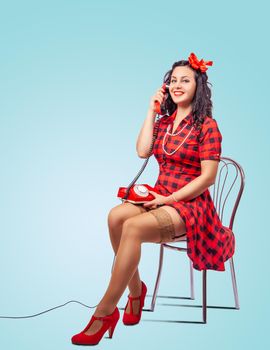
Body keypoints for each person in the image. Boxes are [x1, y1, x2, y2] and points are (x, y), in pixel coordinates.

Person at [71, 52, 235, 346]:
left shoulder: (207, 127)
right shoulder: (164, 122)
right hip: (160, 196)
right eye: (173, 80)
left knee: (132, 229)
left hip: (191, 206)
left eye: (185, 80)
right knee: (115, 216)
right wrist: (151, 110)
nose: (177, 85)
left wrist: (167, 199)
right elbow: (142, 151)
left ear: (198, 86)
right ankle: (136, 291)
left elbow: (208, 177)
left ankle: (104, 312)